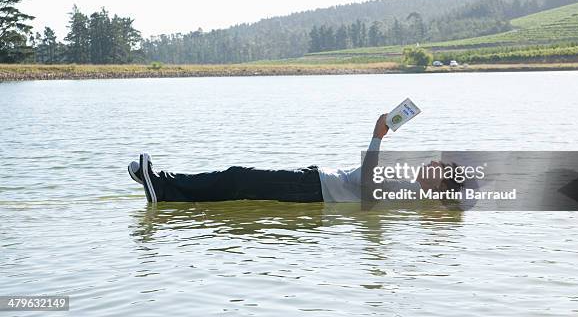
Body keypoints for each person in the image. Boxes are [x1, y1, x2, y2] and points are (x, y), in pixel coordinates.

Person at [128, 114, 462, 203]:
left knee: (237, 178)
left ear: (440, 185)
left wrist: (377, 136)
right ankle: (163, 188)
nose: (433, 164)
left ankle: (163, 186)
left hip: (315, 188)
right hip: (315, 184)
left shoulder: (410, 193)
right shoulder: (412, 192)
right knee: (236, 184)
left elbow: (364, 183)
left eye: (440, 169)